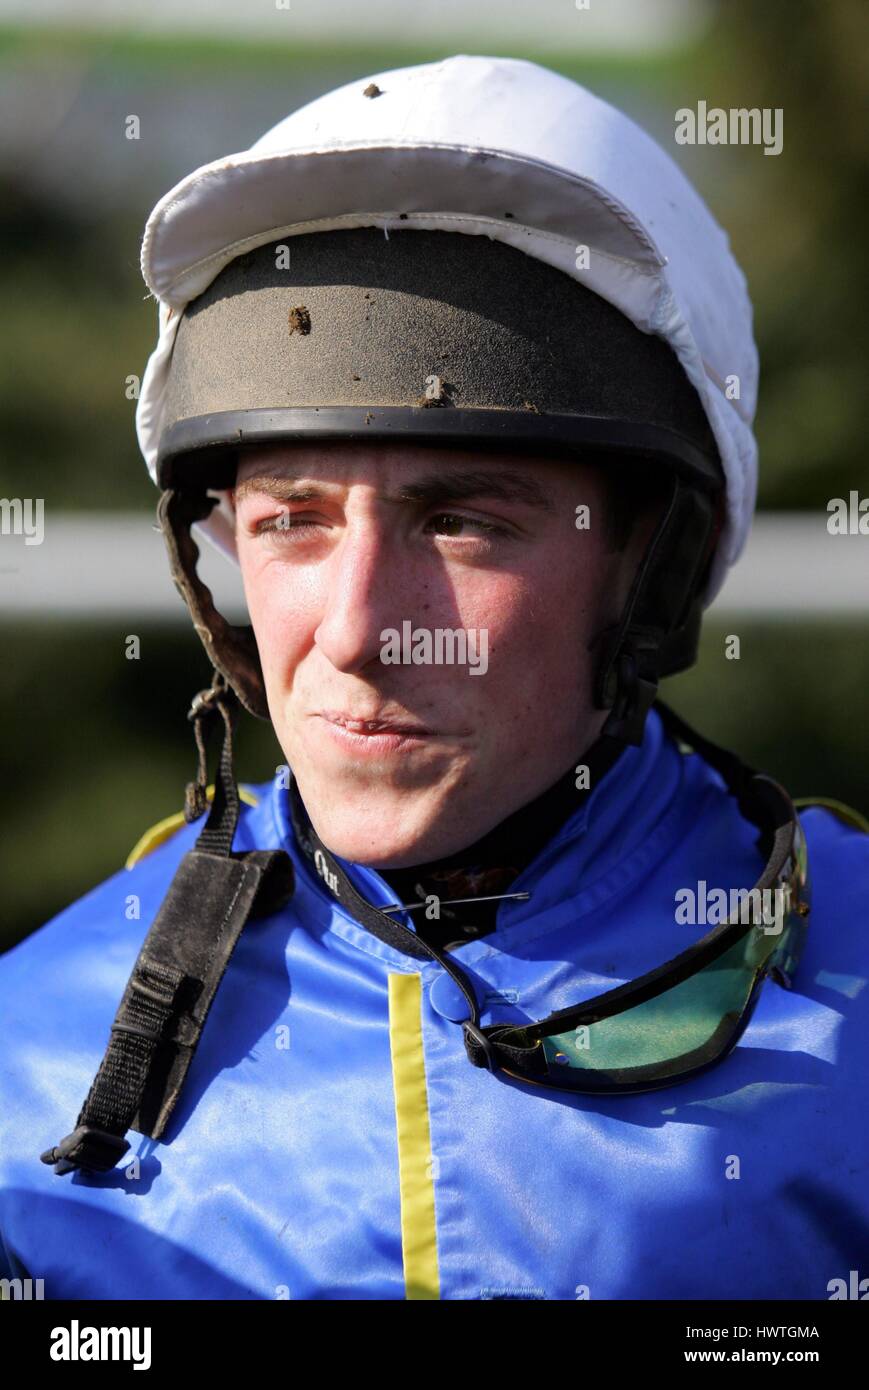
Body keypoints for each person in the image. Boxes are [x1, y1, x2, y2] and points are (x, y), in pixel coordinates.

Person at [1, 55, 867, 1303]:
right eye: (290, 520)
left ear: (651, 568)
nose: (355, 634)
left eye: (462, 522)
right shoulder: (32, 1045)